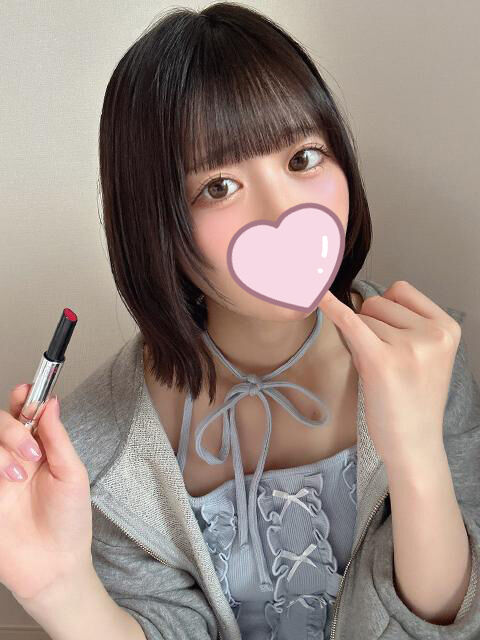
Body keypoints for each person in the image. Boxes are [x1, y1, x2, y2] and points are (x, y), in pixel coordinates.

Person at [1, 3, 480, 640]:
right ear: (156, 224)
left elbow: (453, 621)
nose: (284, 211)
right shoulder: (101, 449)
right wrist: (57, 586)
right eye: (219, 187)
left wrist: (415, 450)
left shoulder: (425, 355)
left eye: (304, 158)